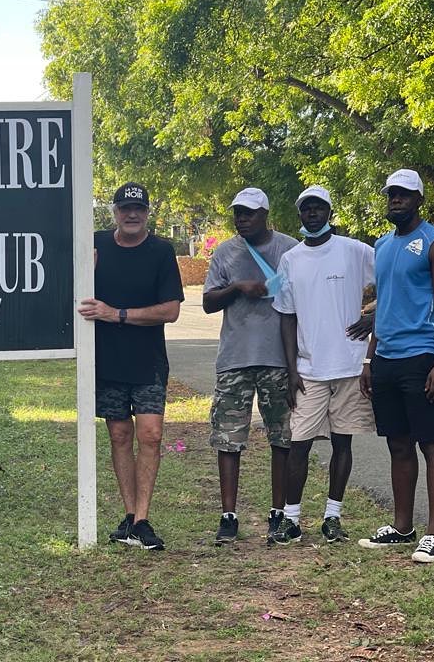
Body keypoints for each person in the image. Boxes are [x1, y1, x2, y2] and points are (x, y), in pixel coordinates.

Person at [358, 169, 434, 563]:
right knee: (398, 443)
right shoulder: (382, 244)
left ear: (419, 199)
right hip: (386, 358)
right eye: (391, 194)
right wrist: (369, 358)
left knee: (431, 443)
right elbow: (384, 305)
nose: (396, 199)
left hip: (421, 356)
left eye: (403, 194)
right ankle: (402, 528)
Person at [78, 183, 184, 550]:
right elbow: (71, 292)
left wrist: (116, 314)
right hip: (107, 360)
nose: (132, 214)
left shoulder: (161, 252)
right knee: (120, 435)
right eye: (125, 208)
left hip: (148, 362)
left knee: (150, 435)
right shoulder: (93, 245)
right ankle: (129, 517)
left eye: (139, 208)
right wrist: (84, 272)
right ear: (115, 212)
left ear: (148, 213)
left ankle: (142, 519)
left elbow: (170, 310)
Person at [270, 185, 376, 545]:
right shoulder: (291, 259)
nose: (312, 213)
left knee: (342, 443)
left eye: (319, 207)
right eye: (306, 208)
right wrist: (291, 370)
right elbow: (286, 316)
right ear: (300, 214)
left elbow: (395, 281)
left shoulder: (354, 251)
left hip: (349, 365)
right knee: (299, 444)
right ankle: (291, 520)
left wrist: (374, 317)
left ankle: (333, 517)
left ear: (330, 212)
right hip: (309, 371)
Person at [203, 188, 297, 545]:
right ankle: (228, 516)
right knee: (228, 439)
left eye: (249, 213)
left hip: (278, 359)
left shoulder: (289, 249)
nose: (241, 219)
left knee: (282, 438)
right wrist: (238, 287)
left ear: (265, 215)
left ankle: (278, 513)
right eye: (237, 213)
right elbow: (208, 302)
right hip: (235, 358)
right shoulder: (225, 252)